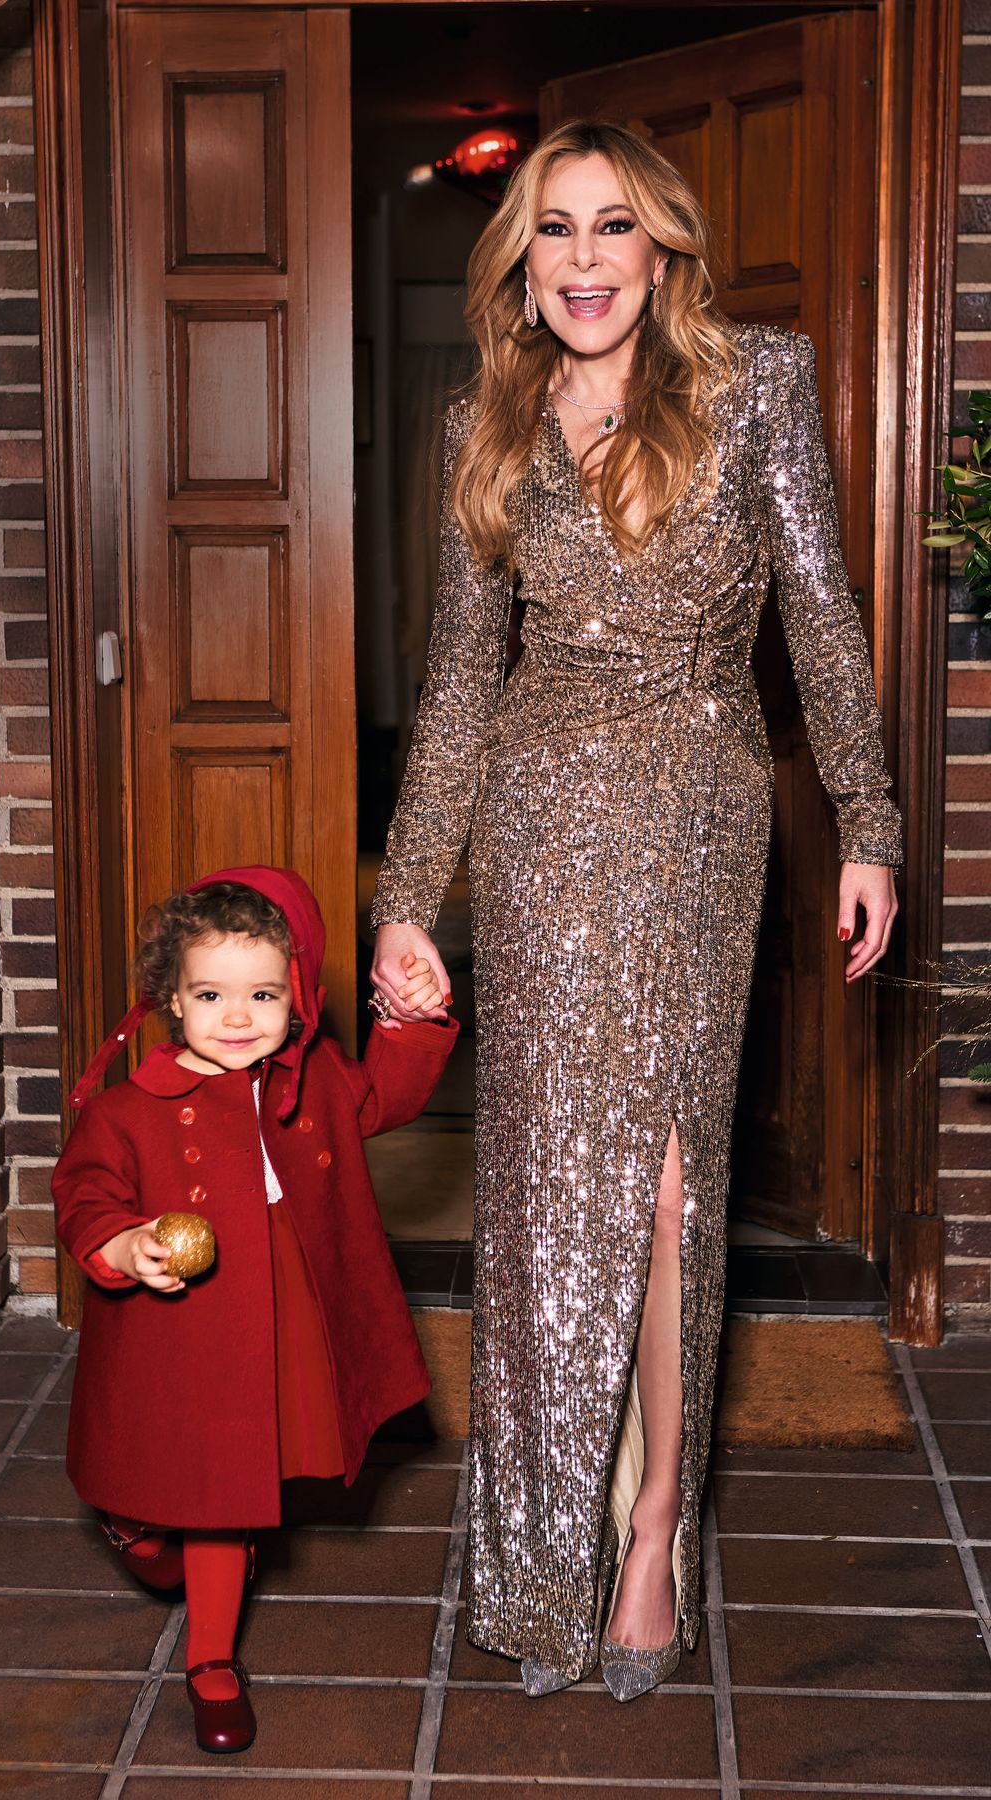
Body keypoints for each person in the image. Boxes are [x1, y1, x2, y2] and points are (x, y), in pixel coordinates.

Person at [370, 120, 901, 1700]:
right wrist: (408, 897)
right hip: (538, 834)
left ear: (662, 248)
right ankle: (541, 1559)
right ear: (520, 260)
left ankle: (654, 1526)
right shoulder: (487, 418)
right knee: (545, 1196)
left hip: (697, 821)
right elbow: (465, 687)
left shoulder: (758, 390)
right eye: (554, 231)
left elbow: (819, 608)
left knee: (668, 1189)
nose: (585, 260)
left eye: (614, 228)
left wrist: (866, 815)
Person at [53, 865, 456, 1753]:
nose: (238, 1018)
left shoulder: (310, 1081)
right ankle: (141, 1528)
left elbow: (388, 1093)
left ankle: (210, 1661)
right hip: (181, 1334)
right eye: (211, 993)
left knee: (228, 1489)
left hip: (281, 1315)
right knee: (185, 1483)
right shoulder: (131, 1111)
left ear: (299, 996)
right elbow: (85, 1193)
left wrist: (413, 1019)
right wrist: (121, 1245)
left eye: (264, 993)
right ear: (172, 998)